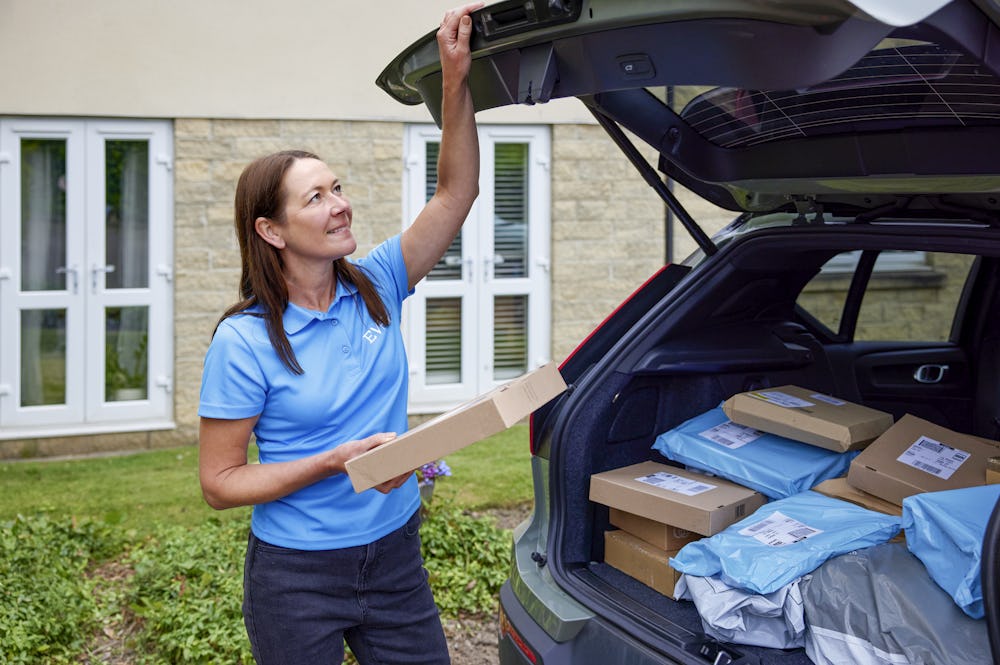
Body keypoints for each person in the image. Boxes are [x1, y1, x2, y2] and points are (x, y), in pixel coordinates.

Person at [197, 4, 484, 663]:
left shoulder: (377, 282)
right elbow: (220, 483)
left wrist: (455, 79)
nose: (340, 203)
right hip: (297, 575)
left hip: (393, 556)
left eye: (338, 186)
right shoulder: (243, 342)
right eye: (316, 197)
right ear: (271, 229)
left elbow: (457, 191)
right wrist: (333, 461)